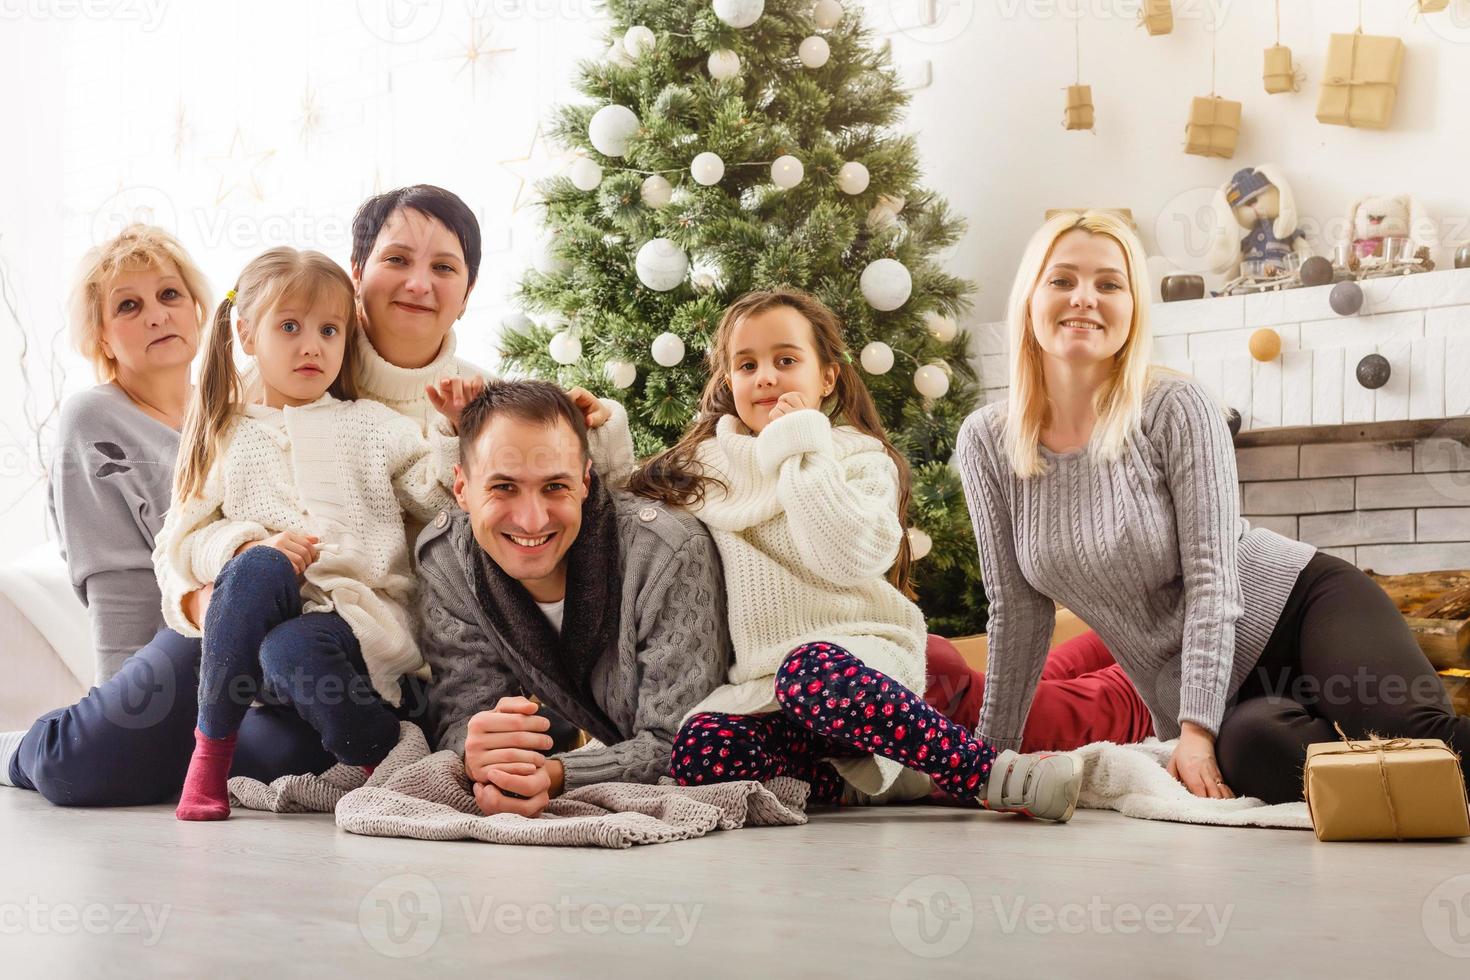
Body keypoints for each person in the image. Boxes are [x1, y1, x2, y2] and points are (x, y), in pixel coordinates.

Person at [2, 186, 628, 804]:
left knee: (285, 744)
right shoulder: (255, 396)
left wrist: (586, 427)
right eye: (396, 260)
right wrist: (224, 577)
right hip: (230, 625)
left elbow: (523, 518)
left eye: (444, 267)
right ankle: (55, 750)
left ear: (467, 294)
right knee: (80, 764)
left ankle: (279, 752)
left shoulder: (483, 409)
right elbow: (180, 538)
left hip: (357, 654)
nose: (417, 283)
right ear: (358, 276)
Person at [956, 209, 1470, 804]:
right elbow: (1016, 613)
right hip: (1220, 688)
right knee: (1255, 755)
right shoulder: (987, 441)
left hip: (1300, 608)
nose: (1085, 299)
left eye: (1109, 283)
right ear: (1029, 297)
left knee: (1414, 741)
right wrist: (985, 762)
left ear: (1132, 308)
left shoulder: (1175, 405)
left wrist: (1195, 731)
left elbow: (1212, 576)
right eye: (1063, 279)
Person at [629, 288, 1081, 821]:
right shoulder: (710, 465)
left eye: (786, 360)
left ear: (827, 378)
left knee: (809, 671)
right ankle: (862, 783)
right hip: (766, 683)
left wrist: (801, 446)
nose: (766, 376)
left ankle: (988, 773)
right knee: (701, 748)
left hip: (854, 656)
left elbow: (847, 557)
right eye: (747, 365)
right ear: (730, 383)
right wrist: (605, 432)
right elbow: (630, 509)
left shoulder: (860, 458)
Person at [157, 247, 473, 820]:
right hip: (252, 639)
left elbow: (437, 501)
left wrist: (452, 433)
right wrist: (246, 544)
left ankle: (388, 764)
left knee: (293, 647)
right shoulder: (226, 434)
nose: (312, 346)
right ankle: (208, 758)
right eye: (290, 327)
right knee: (259, 569)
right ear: (247, 335)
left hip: (355, 636)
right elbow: (181, 545)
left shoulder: (372, 426)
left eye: (330, 330)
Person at [415, 380, 731, 817]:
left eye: (554, 487)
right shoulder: (445, 559)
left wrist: (557, 775)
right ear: (461, 488)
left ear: (585, 481)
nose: (531, 520)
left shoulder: (666, 551)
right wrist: (484, 759)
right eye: (503, 487)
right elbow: (460, 717)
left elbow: (681, 738)